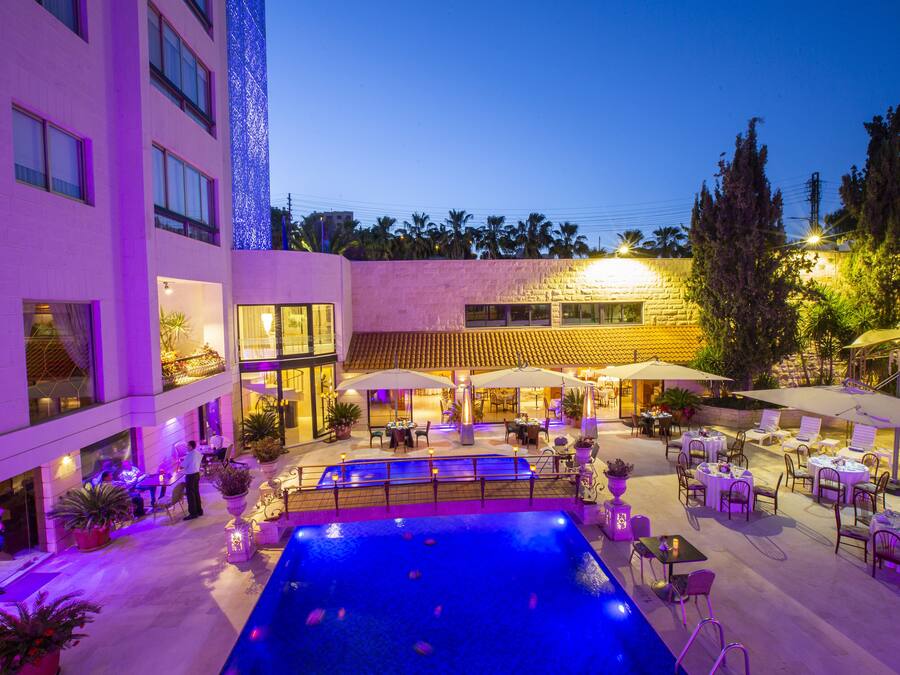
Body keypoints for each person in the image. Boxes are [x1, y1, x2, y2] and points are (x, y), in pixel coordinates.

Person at [183, 440, 203, 520]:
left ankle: (193, 513)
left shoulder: (189, 455)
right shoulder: (198, 453)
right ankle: (199, 510)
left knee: (190, 495)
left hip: (190, 476)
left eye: (187, 445)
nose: (186, 447)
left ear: (191, 446)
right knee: (196, 493)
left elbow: (183, 465)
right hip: (197, 474)